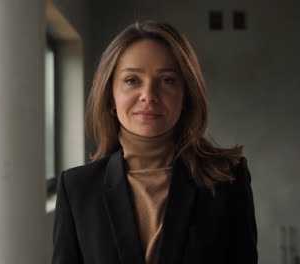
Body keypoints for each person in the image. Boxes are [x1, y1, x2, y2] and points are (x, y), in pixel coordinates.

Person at [52, 19, 258, 264]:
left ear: (186, 96)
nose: (148, 96)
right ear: (110, 96)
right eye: (132, 80)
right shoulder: (77, 189)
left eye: (167, 80)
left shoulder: (227, 179)